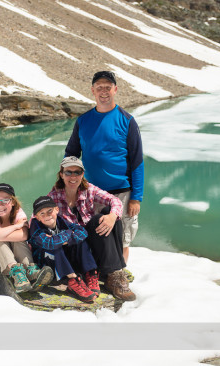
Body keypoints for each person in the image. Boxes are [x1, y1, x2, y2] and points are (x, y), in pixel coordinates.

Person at [65, 70, 144, 264]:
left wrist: (136, 198)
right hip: (92, 192)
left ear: (115, 89)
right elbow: (71, 155)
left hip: (122, 192)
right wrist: (70, 184)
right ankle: (99, 273)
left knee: (123, 237)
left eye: (107, 87)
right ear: (92, 91)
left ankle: (120, 274)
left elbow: (137, 161)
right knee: (94, 234)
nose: (103, 91)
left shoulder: (127, 121)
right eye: (99, 87)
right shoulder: (83, 121)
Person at [48, 157, 136, 301]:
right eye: (68, 172)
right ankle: (112, 273)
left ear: (82, 174)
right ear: (61, 174)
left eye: (77, 172)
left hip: (91, 248)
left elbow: (115, 201)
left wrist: (113, 216)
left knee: (109, 213)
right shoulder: (53, 197)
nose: (73, 176)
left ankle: (113, 274)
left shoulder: (89, 189)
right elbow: (38, 218)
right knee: (95, 222)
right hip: (73, 249)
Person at [0, 183, 53, 293]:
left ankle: (29, 270)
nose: (0, 204)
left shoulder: (18, 213)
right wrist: (15, 227)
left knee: (17, 240)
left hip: (11, 251)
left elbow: (23, 235)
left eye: (5, 200)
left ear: (13, 202)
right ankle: (17, 273)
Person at [29, 196, 99, 303]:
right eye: (41, 213)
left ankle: (90, 274)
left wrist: (66, 239)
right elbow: (51, 243)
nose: (47, 215)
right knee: (55, 248)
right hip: (48, 265)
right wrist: (68, 233)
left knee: (81, 242)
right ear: (37, 217)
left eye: (49, 211)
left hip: (63, 262)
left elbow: (83, 231)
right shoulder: (35, 227)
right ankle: (72, 281)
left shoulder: (61, 220)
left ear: (56, 210)